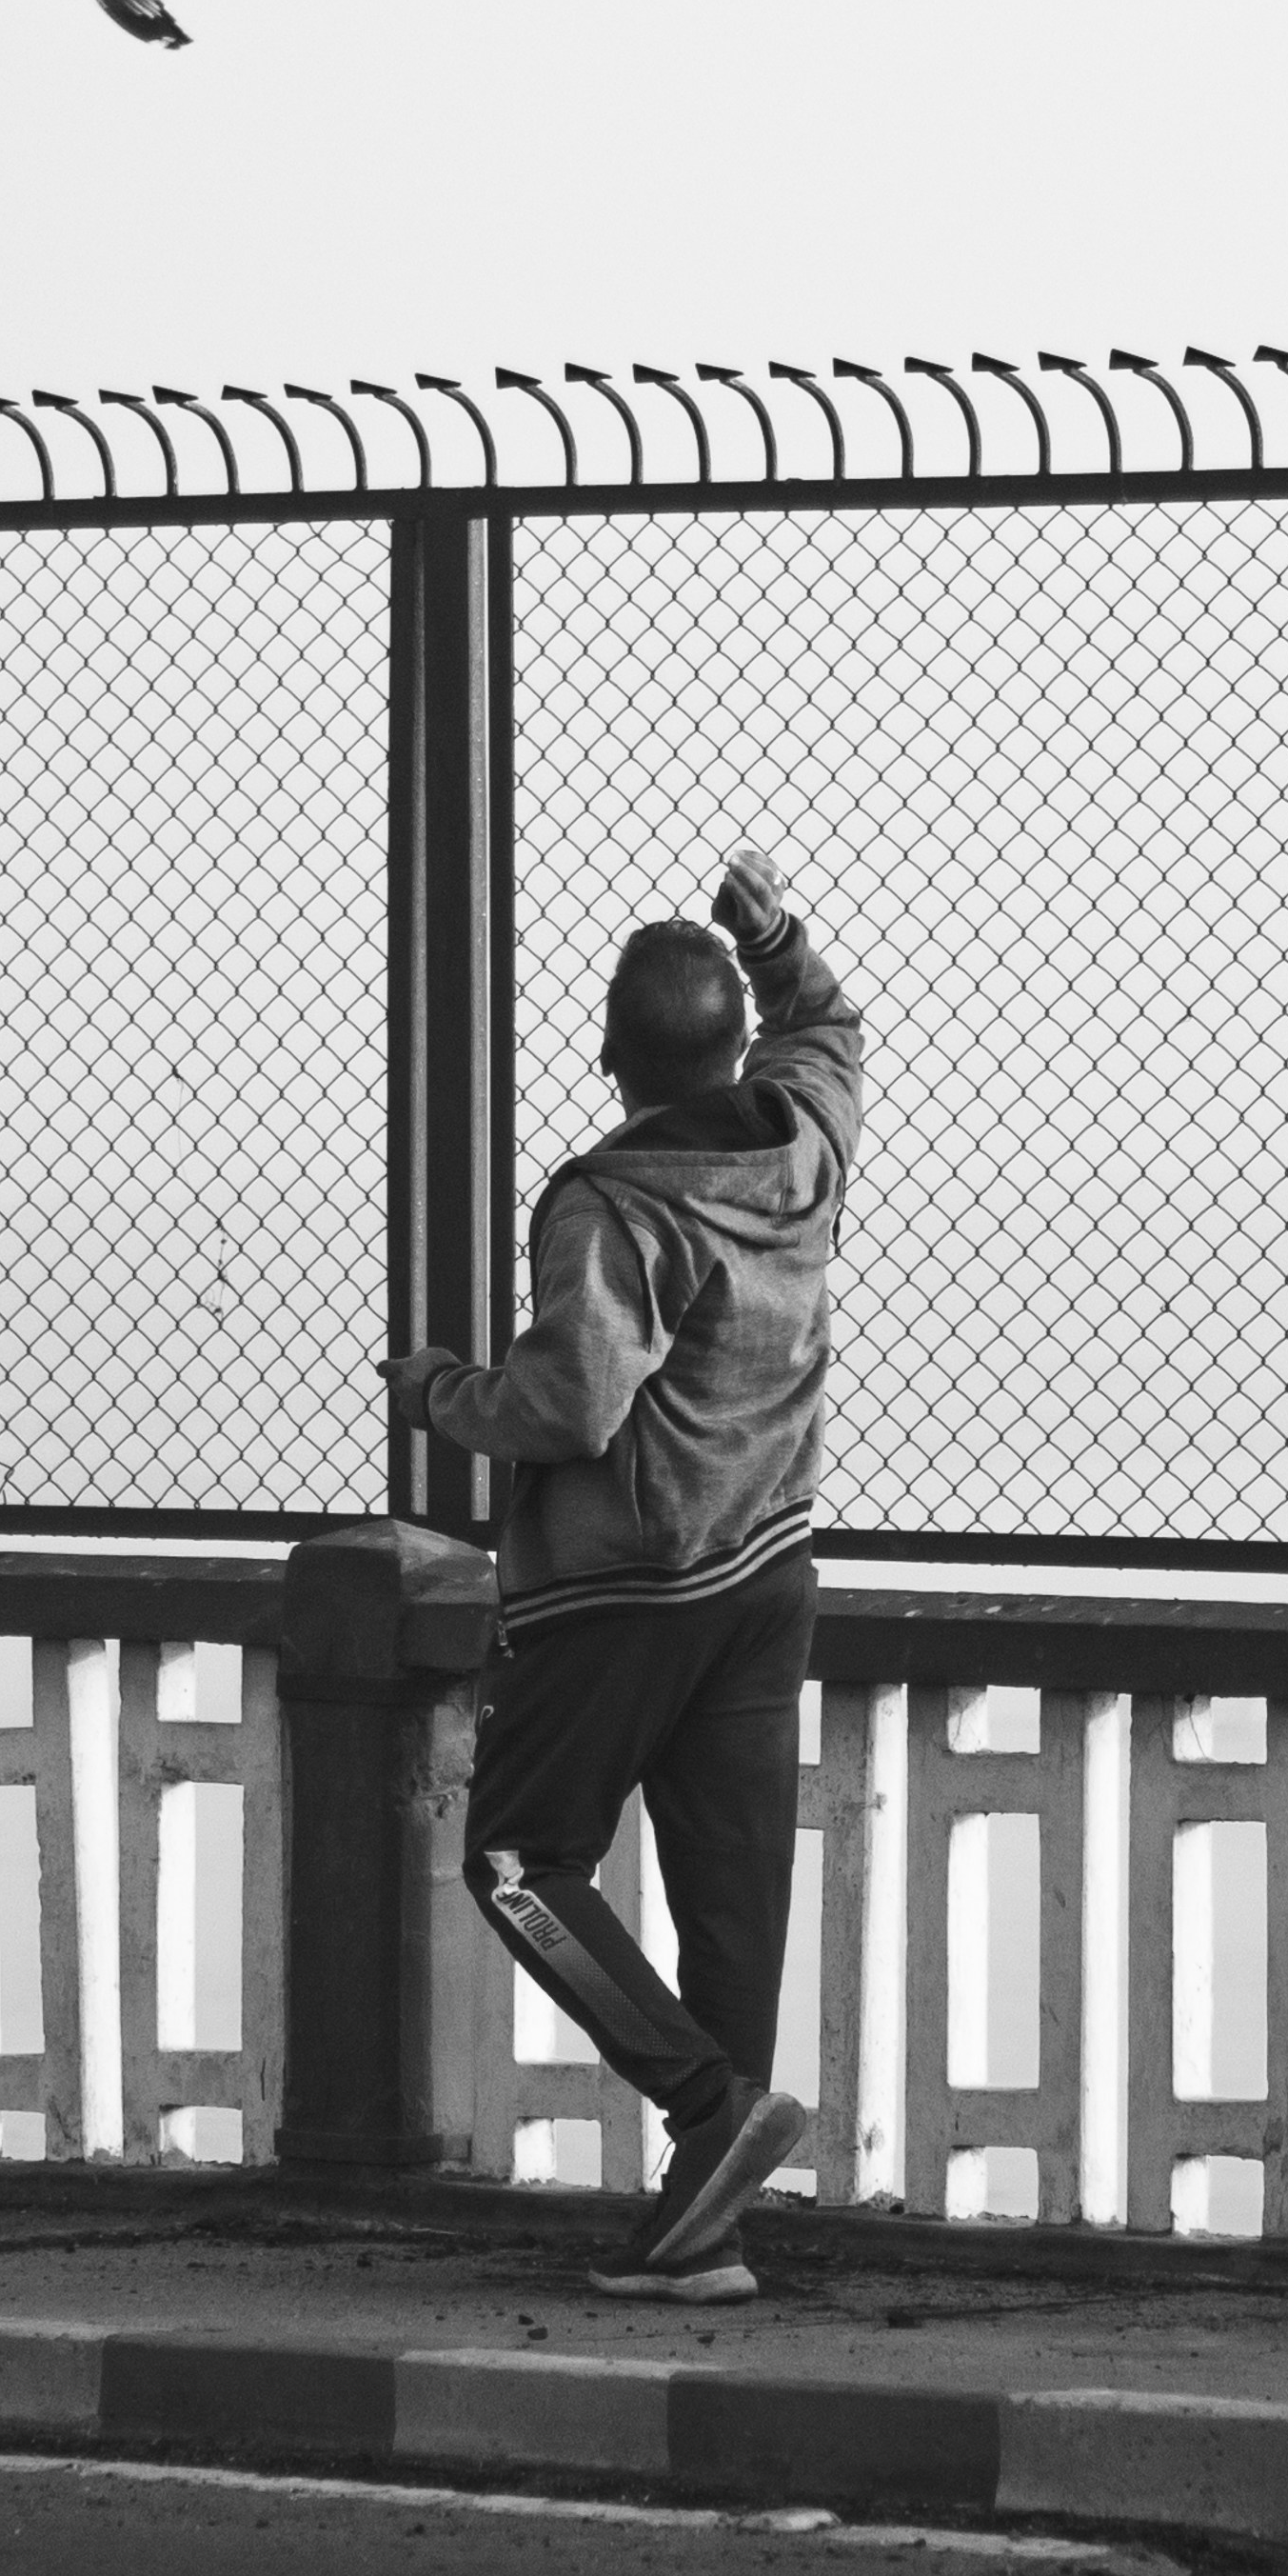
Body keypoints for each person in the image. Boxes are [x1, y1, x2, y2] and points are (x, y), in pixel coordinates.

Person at [381, 846, 854, 2299]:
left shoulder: (610, 1205)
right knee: (731, 1902)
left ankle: (705, 2109)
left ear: (605, 1054)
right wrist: (773, 934)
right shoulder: (802, 1143)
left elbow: (570, 1407)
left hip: (627, 1598)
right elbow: (829, 1030)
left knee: (520, 1862)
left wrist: (440, 1389)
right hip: (770, 1569)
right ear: (732, 1042)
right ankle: (700, 2227)